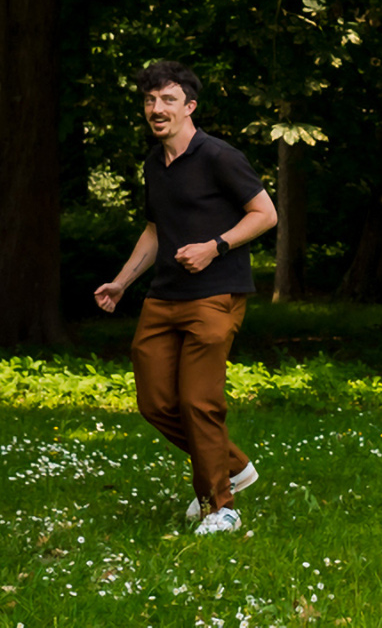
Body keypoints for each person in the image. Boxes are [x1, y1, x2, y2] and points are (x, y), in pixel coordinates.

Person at [94, 61, 278, 536]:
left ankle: (221, 507)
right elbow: (155, 230)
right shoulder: (154, 164)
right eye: (150, 100)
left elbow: (265, 213)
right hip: (164, 296)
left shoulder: (219, 156)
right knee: (155, 402)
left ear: (189, 107)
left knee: (199, 402)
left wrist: (215, 246)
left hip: (215, 295)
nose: (157, 108)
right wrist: (121, 282)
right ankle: (233, 465)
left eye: (168, 99)